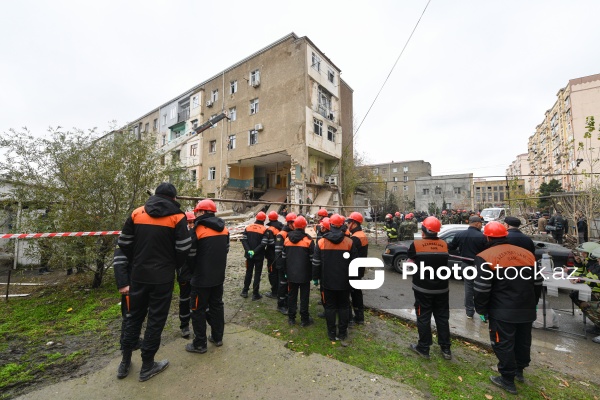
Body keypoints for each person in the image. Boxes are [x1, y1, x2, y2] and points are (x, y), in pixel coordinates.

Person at [116, 182, 191, 382]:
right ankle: (147, 365)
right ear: (174, 198)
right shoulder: (178, 217)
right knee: (156, 320)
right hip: (163, 278)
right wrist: (172, 265)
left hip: (138, 275)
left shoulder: (137, 213)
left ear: (155, 195)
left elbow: (123, 244)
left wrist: (139, 260)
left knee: (133, 317)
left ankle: (125, 361)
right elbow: (184, 247)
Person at [473, 221, 543, 395]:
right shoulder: (527, 254)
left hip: (502, 309)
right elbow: (537, 282)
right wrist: (533, 302)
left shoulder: (485, 256)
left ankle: (507, 379)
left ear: (487, 237)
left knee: (503, 343)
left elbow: (482, 288)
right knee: (522, 340)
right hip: (525, 307)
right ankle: (519, 370)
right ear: (505, 235)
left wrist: (481, 309)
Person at [185, 199, 229, 354]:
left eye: (197, 212)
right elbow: (226, 250)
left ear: (202, 212)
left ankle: (199, 344)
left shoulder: (197, 229)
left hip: (201, 279)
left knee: (197, 309)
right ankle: (217, 338)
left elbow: (190, 256)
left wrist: (192, 273)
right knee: (217, 306)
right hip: (218, 277)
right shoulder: (224, 229)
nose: (196, 214)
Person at [407, 216, 452, 360]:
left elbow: (410, 259)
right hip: (442, 289)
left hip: (423, 289)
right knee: (442, 318)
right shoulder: (444, 245)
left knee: (424, 317)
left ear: (424, 230)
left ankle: (424, 347)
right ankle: (446, 349)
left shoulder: (417, 245)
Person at [312, 213, 358, 341]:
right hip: (344, 282)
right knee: (343, 307)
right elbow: (355, 263)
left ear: (330, 225)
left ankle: (331, 333)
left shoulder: (321, 242)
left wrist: (315, 277)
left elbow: (316, 263)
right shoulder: (349, 242)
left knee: (330, 307)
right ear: (342, 225)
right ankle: (342, 333)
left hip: (327, 282)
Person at [447, 215, 486, 319]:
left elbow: (451, 247)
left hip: (466, 265)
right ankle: (482, 312)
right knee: (481, 287)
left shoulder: (460, 234)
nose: (481, 226)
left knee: (468, 287)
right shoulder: (482, 237)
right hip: (479, 266)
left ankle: (469, 311)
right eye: (481, 224)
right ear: (477, 223)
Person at [281, 216, 315, 327]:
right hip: (305, 275)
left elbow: (284, 257)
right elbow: (312, 260)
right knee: (304, 297)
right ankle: (304, 320)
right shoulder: (308, 241)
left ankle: (291, 318)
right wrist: (314, 274)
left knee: (292, 296)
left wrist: (286, 271)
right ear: (304, 226)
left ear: (294, 225)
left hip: (291, 274)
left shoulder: (287, 239)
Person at [112, 242, 142, 358]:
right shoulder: (126, 236)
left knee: (138, 314)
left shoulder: (140, 232)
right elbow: (119, 261)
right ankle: (125, 345)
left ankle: (134, 341)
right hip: (130, 286)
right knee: (129, 316)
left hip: (140, 283)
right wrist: (123, 283)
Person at [240, 211, 269, 300]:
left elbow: (244, 240)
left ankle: (245, 291)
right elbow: (263, 244)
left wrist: (249, 251)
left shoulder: (248, 228)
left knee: (248, 272)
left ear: (256, 218)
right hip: (259, 256)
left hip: (249, 256)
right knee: (257, 274)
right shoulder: (264, 230)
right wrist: (255, 251)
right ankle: (255, 294)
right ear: (264, 220)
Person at [176, 211, 196, 338]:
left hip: (195, 274)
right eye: (188, 222)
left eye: (192, 222)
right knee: (184, 299)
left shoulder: (197, 234)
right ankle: (184, 325)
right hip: (184, 274)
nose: (191, 225)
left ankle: (196, 323)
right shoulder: (179, 235)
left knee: (195, 299)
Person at [347, 212, 368, 325]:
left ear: (354, 223)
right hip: (359, 268)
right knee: (357, 293)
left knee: (353, 293)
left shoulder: (355, 238)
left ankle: (356, 318)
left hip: (354, 269)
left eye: (349, 222)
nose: (348, 224)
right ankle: (359, 316)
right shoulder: (361, 234)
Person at [274, 213, 297, 314]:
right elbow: (278, 252)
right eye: (294, 223)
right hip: (283, 264)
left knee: (288, 284)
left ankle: (287, 302)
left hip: (290, 264)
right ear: (289, 223)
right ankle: (281, 304)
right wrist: (281, 266)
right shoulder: (281, 234)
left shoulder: (292, 233)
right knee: (282, 284)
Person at [265, 211, 283, 299]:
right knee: (280, 273)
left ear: (269, 218)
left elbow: (270, 243)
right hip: (281, 254)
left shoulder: (270, 229)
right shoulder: (282, 227)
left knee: (272, 273)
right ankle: (280, 291)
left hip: (272, 255)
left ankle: (274, 292)